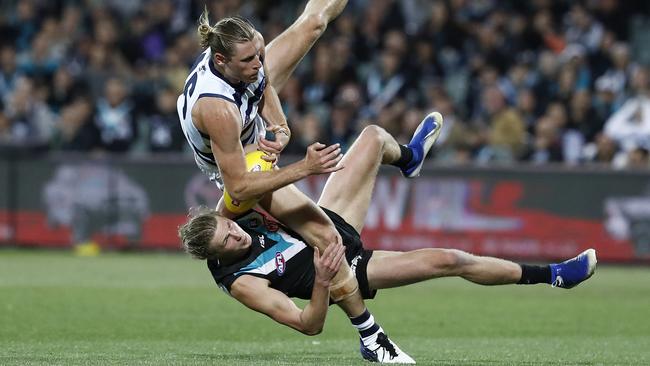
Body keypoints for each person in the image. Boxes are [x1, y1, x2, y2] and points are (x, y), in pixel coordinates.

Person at [178, 114, 598, 364]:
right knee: (449, 260)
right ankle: (555, 275)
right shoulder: (242, 282)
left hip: (329, 224)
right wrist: (323, 282)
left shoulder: (231, 213)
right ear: (216, 257)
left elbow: (246, 181)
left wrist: (272, 149)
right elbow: (309, 325)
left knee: (374, 137)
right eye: (229, 240)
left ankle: (409, 158)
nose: (236, 233)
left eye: (230, 226)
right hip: (348, 273)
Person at [175, 0, 440, 351]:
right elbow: (239, 187)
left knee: (315, 21)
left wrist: (281, 125)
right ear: (221, 61)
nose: (259, 62)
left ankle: (408, 158)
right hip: (239, 165)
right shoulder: (218, 110)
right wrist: (305, 167)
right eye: (250, 59)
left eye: (259, 52)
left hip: (250, 129)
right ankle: (371, 337)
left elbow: (261, 84)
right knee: (328, 237)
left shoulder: (240, 52)